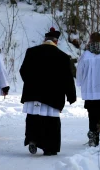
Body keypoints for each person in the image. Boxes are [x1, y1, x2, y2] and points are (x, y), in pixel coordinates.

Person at [20, 27, 76, 156]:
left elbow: (23, 71)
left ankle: (32, 139)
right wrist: (71, 96)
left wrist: (30, 83)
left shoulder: (31, 52)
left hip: (33, 92)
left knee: (33, 117)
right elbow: (67, 78)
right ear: (56, 42)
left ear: (45, 40)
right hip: (53, 95)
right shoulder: (63, 57)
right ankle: (49, 148)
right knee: (51, 121)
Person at [76, 32, 100, 147]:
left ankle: (93, 133)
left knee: (92, 113)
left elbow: (80, 71)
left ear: (90, 41)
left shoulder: (85, 55)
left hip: (90, 90)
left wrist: (80, 83)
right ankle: (95, 134)